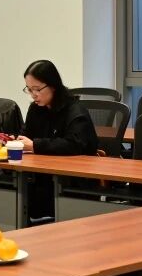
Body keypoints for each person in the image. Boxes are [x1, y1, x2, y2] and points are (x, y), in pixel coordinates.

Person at [17, 59, 98, 222]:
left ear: (53, 85)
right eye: (29, 89)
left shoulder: (75, 110)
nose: (33, 95)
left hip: (73, 179)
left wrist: (34, 145)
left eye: (37, 89)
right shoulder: (35, 109)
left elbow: (73, 145)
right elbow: (26, 135)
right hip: (42, 174)